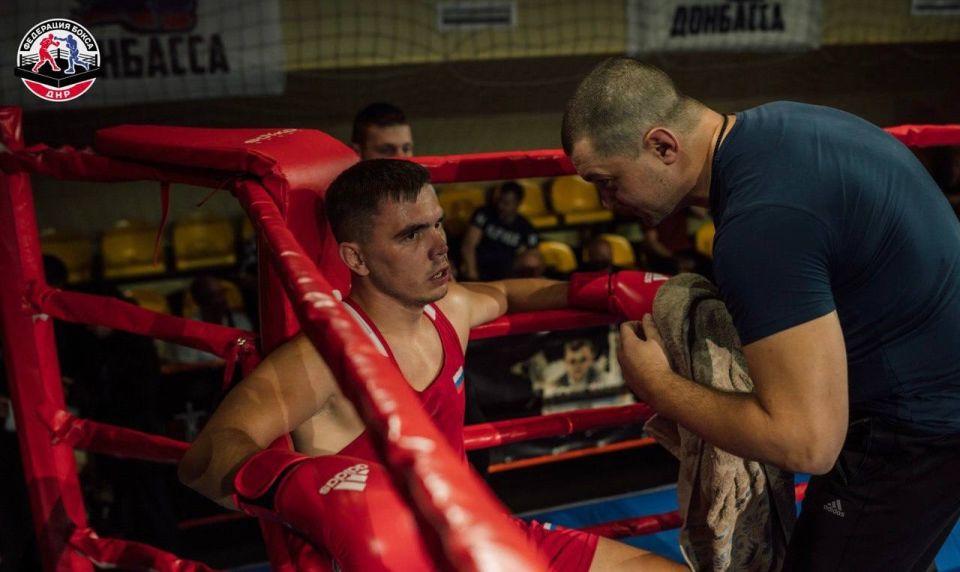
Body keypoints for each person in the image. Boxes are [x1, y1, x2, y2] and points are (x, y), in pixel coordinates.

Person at [178, 159, 681, 571]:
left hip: (479, 537)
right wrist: (308, 486)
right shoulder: (324, 357)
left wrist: (606, 290)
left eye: (437, 223)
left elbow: (505, 293)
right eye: (411, 235)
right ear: (356, 259)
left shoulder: (449, 310)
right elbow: (206, 458)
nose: (439, 244)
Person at [561, 56, 960, 571]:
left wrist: (656, 384)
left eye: (607, 180)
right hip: (933, 400)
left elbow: (807, 444)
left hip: (914, 432)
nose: (607, 202)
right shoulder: (784, 125)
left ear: (662, 146)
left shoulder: (758, 224)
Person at [461, 181, 540, 281]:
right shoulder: (484, 214)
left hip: (506, 272)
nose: (501, 206)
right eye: (499, 201)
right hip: (480, 266)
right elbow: (469, 244)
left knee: (532, 260)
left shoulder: (526, 227)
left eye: (506, 203)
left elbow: (534, 257)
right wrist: (472, 275)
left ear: (517, 204)